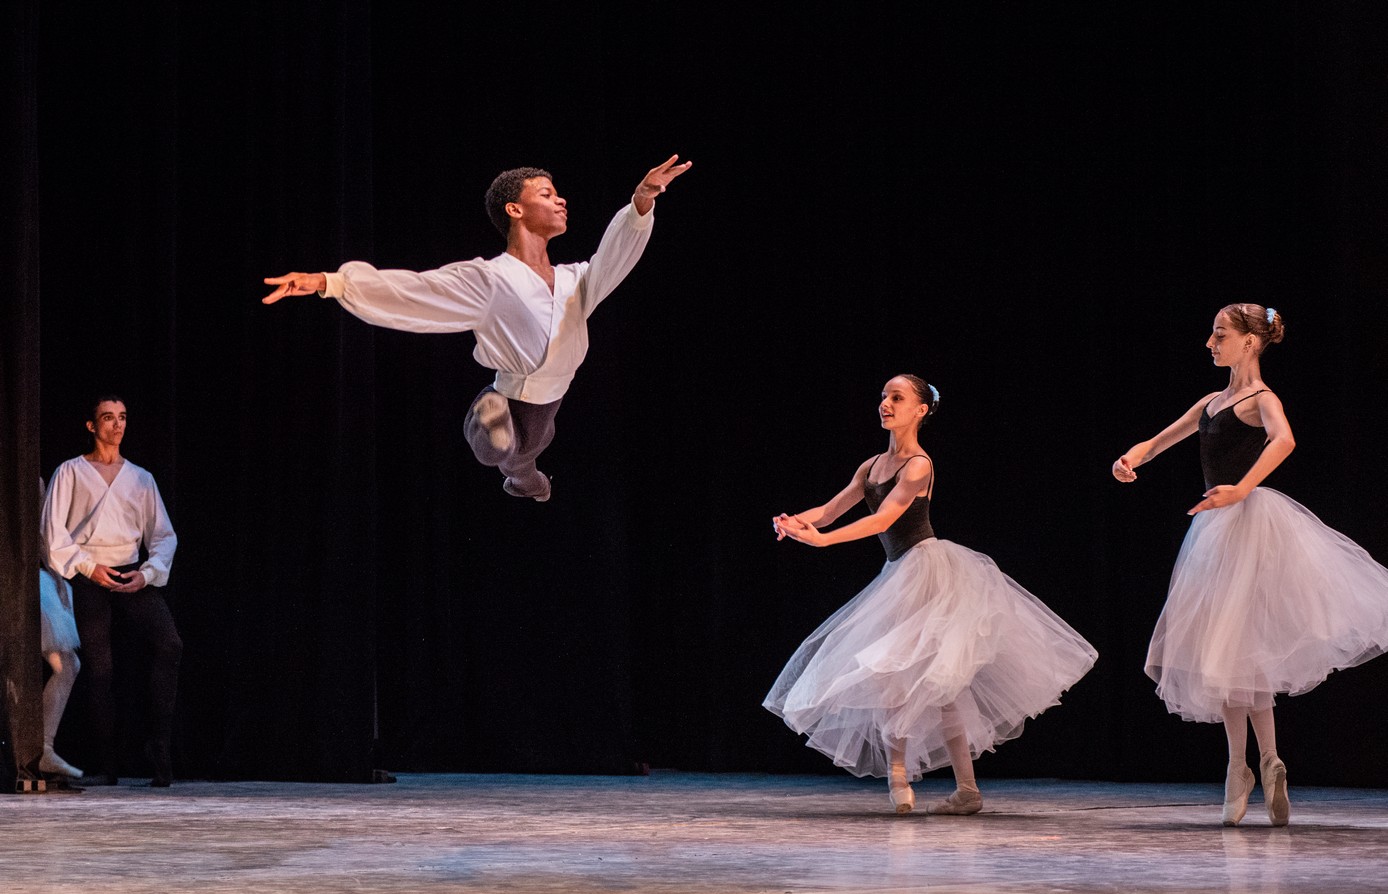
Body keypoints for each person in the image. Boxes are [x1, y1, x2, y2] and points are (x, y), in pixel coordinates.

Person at [262, 155, 692, 502]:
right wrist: (330, 282)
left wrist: (641, 201)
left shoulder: (576, 280)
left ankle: (526, 482)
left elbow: (615, 257)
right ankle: (485, 415)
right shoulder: (491, 278)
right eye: (547, 194)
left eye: (558, 194)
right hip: (509, 393)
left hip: (548, 403)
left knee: (524, 462)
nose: (561, 201)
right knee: (500, 450)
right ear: (515, 209)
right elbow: (417, 290)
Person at [767, 375, 1097, 814]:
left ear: (920, 410)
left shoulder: (919, 464)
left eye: (897, 397)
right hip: (899, 573)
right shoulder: (870, 466)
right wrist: (795, 522)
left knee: (934, 683)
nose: (886, 403)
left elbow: (884, 520)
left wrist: (824, 542)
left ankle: (935, 785)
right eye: (883, 396)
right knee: (903, 678)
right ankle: (941, 785)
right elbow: (829, 511)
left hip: (929, 573)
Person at [1112, 304, 1388, 827]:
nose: (1210, 343)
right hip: (1215, 533)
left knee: (1240, 651)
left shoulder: (1262, 399)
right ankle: (1259, 764)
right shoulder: (1212, 402)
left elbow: (1284, 439)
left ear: (1250, 343)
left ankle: (1245, 767)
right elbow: (1158, 441)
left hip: (1250, 529)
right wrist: (1129, 458)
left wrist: (1242, 487)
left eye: (1220, 334)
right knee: (1230, 654)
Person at [41, 396, 182, 787]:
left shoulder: (140, 478)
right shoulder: (70, 472)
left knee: (170, 644)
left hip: (129, 574)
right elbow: (53, 533)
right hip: (89, 573)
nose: (117, 425)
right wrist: (88, 567)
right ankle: (109, 761)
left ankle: (160, 746)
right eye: (108, 418)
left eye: (122, 417)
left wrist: (148, 573)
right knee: (100, 668)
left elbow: (163, 536)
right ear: (92, 425)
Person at [37, 478, 83, 781]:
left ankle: (44, 748)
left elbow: (38, 532)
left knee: (68, 663)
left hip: (28, 573)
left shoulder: (26, 473)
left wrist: (53, 573)